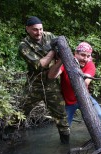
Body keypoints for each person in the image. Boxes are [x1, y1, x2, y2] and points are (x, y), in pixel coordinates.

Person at [18, 16, 70, 144]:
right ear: (27, 29)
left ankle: (65, 145)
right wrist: (53, 52)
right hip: (34, 83)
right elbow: (40, 64)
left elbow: (63, 47)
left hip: (51, 84)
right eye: (35, 30)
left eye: (40, 29)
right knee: (20, 112)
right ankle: (10, 137)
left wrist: (61, 49)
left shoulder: (49, 36)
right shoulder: (24, 45)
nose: (39, 32)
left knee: (61, 116)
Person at [48, 42, 101, 126]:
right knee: (65, 126)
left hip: (85, 97)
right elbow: (51, 76)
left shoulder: (90, 64)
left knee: (100, 116)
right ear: (75, 53)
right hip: (68, 101)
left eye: (88, 56)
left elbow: (85, 82)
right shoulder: (67, 62)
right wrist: (61, 61)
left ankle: (99, 138)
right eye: (82, 55)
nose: (85, 58)